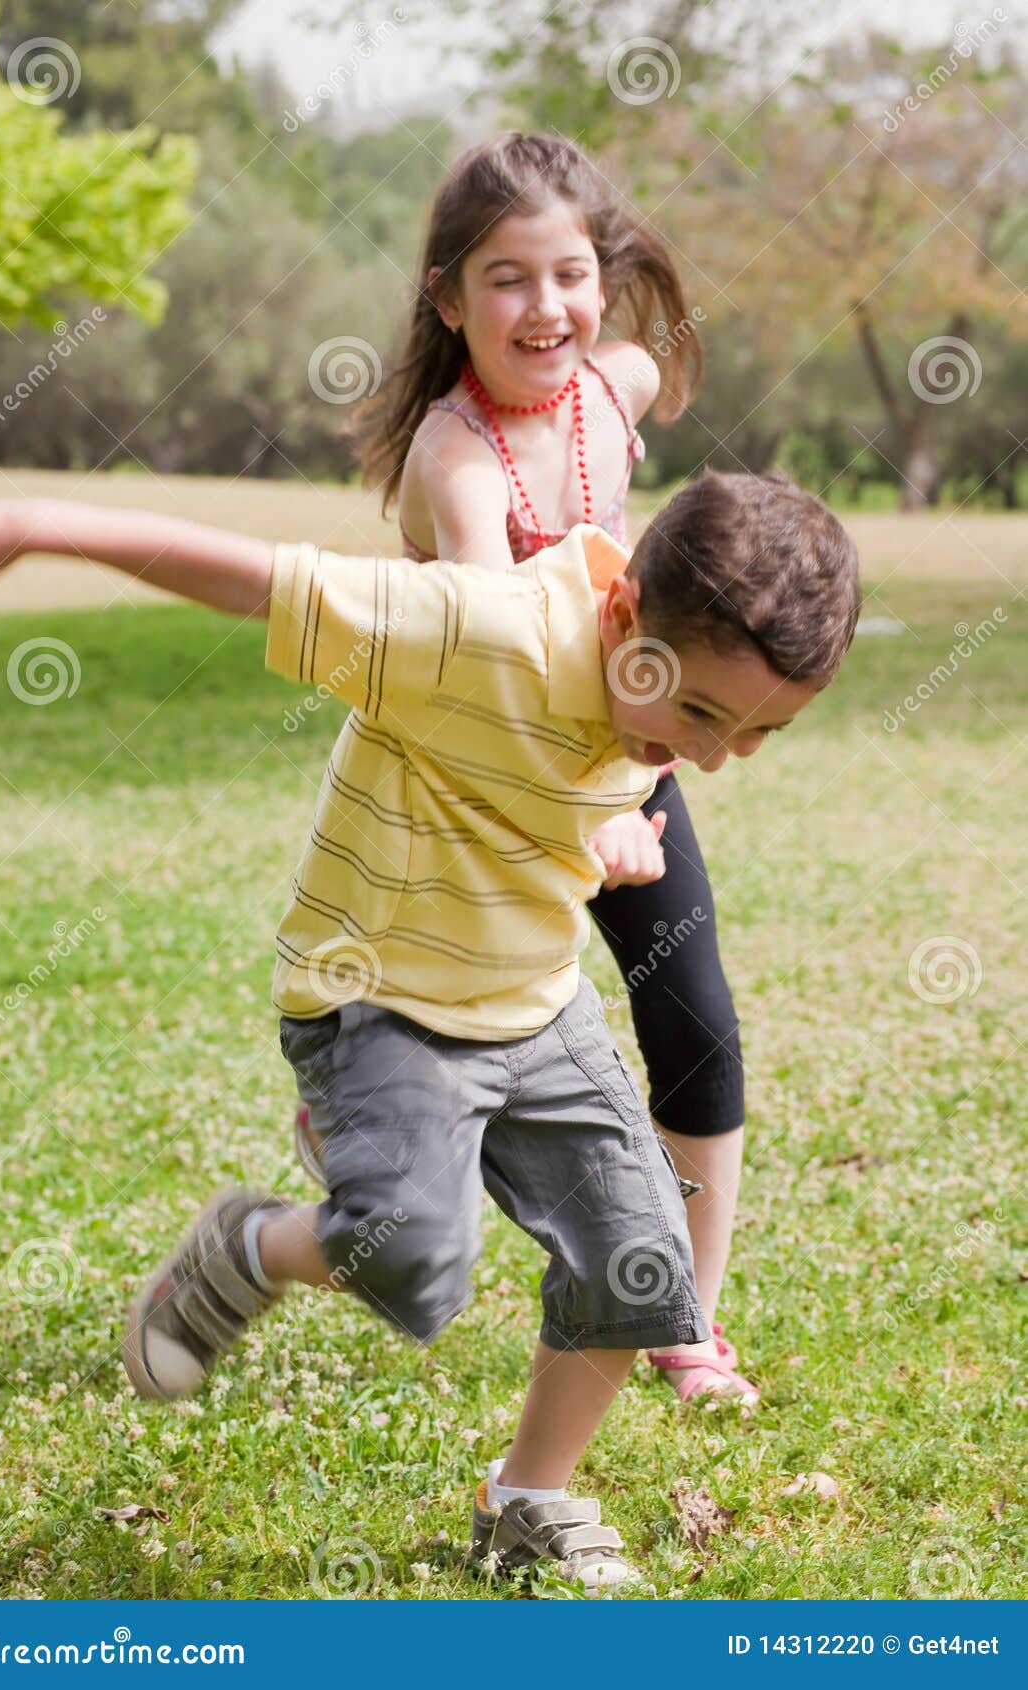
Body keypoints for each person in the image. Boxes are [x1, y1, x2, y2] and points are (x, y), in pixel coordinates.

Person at [0, 466, 860, 1589]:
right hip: (379, 998)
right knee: (412, 1257)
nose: (715, 754)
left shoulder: (650, 696)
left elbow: (545, 781)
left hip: (534, 999)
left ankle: (525, 1500)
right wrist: (31, 526)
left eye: (761, 732)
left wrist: (612, 834)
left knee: (642, 1259)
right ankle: (248, 1248)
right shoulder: (468, 630)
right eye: (701, 717)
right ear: (621, 613)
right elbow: (254, 581)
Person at [322, 129, 751, 1400]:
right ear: (449, 300)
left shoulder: (615, 385)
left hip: (623, 763)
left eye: (569, 273)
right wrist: (580, 826)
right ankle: (354, 1127)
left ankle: (685, 1318)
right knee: (465, 1043)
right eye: (505, 279)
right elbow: (494, 655)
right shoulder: (453, 459)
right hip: (475, 788)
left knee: (695, 1024)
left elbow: (648, 366)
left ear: (601, 281)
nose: (545, 306)